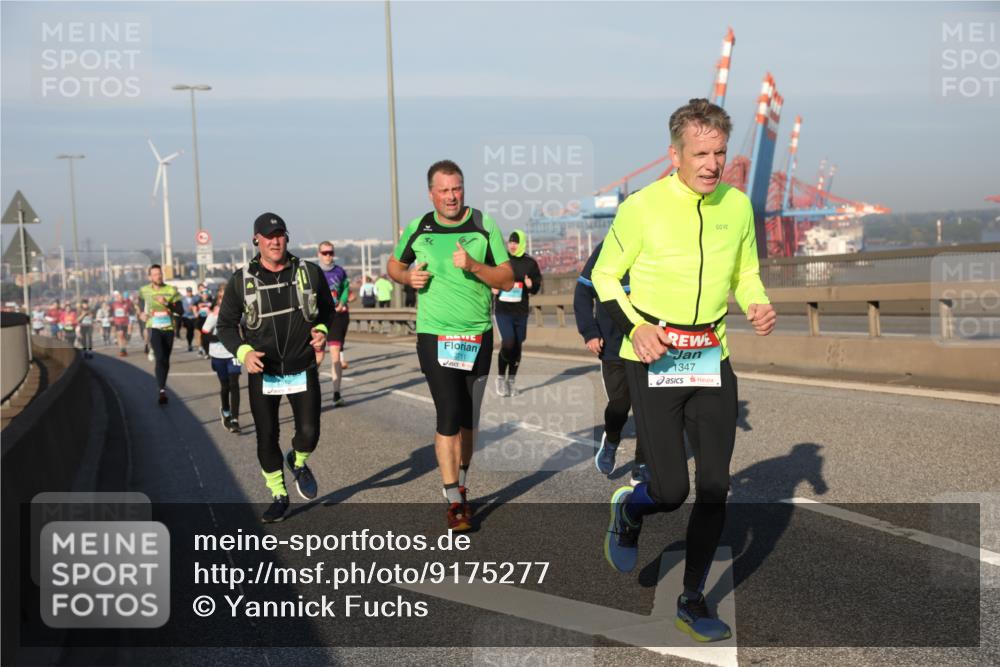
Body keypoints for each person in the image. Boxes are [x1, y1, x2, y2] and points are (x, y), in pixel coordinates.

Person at [593, 99, 776, 642]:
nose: (712, 164)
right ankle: (629, 510)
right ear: (674, 154)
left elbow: (746, 273)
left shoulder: (738, 207)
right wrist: (634, 329)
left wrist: (758, 302)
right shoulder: (643, 208)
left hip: (711, 356)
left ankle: (691, 599)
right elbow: (605, 277)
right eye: (700, 153)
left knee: (715, 486)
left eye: (719, 152)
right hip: (655, 356)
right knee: (670, 490)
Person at [387, 159, 514, 531]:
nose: (451, 196)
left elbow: (506, 278)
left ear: (464, 188)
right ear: (431, 194)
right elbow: (394, 265)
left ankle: (461, 480)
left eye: (456, 188)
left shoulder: (482, 224)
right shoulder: (418, 227)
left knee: (468, 420)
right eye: (443, 190)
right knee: (448, 412)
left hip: (476, 333)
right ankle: (454, 500)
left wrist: (475, 265)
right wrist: (407, 276)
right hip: (434, 333)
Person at [216, 212, 337, 524]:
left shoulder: (308, 272)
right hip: (264, 371)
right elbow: (226, 325)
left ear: (287, 237)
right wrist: (243, 352)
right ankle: (279, 495)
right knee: (266, 436)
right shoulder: (241, 280)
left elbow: (327, 310)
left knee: (309, 433)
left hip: (302, 366)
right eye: (268, 236)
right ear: (256, 239)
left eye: (280, 234)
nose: (275, 241)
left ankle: (296, 460)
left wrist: (321, 329)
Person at [575, 241, 648, 485]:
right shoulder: (607, 247)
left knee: (647, 407)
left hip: (648, 345)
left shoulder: (658, 241)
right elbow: (583, 292)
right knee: (619, 405)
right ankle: (612, 439)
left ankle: (641, 464)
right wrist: (590, 331)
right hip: (613, 346)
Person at [491, 229, 541, 397]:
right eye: (511, 242)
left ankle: (511, 381)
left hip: (520, 311)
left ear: (522, 243)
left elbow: (536, 286)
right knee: (509, 342)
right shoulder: (501, 260)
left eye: (516, 242)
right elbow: (490, 277)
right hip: (503, 310)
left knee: (517, 347)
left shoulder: (530, 263)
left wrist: (529, 284)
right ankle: (499, 377)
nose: (512, 245)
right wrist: (494, 288)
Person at [138, 264, 182, 405]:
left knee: (166, 360)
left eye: (160, 274)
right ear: (150, 277)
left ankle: (162, 385)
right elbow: (140, 307)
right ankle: (161, 389)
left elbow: (180, 310)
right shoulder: (144, 291)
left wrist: (167, 304)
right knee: (160, 356)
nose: (159, 276)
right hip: (154, 328)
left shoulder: (171, 290)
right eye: (155, 274)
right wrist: (141, 314)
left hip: (168, 328)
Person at [201, 284, 242, 434]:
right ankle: (225, 410)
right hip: (218, 355)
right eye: (222, 297)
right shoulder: (214, 315)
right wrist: (220, 337)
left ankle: (235, 419)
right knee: (225, 386)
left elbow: (246, 328)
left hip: (233, 353)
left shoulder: (238, 312)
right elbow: (205, 333)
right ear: (218, 298)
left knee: (234, 384)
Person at [316, 241, 351, 407]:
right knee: (319, 356)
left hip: (337, 316)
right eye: (324, 253)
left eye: (330, 252)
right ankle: (309, 386)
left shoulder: (340, 271)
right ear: (319, 254)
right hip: (318, 317)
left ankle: (336, 393)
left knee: (335, 353)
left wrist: (342, 301)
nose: (328, 256)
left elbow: (346, 287)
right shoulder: (313, 272)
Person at [111, 291, 132, 356]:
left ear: (123, 298)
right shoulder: (114, 304)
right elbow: (111, 311)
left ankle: (124, 348)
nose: (120, 299)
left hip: (125, 321)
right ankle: (121, 349)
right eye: (119, 297)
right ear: (117, 298)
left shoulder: (127, 304)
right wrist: (111, 317)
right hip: (118, 321)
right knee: (120, 334)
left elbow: (131, 311)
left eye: (121, 297)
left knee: (124, 337)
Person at [178, 286, 198, 352]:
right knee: (189, 331)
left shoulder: (195, 298)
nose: (189, 293)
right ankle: (189, 344)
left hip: (193, 317)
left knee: (193, 331)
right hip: (186, 317)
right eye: (188, 292)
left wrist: (194, 307)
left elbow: (198, 304)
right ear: (186, 292)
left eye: (190, 292)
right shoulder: (182, 299)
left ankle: (192, 343)